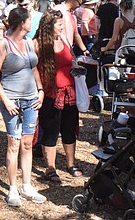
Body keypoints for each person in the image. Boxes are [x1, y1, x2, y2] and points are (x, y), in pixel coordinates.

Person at [0, 7, 46, 207]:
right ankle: (13, 188)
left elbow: (33, 68)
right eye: (30, 19)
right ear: (22, 22)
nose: (32, 22)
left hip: (32, 100)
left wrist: (40, 90)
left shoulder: (30, 43)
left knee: (27, 144)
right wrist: (5, 100)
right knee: (13, 144)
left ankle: (27, 185)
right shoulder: (3, 45)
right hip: (13, 101)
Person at [35, 10, 83, 181]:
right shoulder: (38, 44)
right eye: (59, 24)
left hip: (69, 93)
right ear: (49, 26)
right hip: (50, 95)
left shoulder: (63, 40)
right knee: (51, 131)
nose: (63, 28)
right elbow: (33, 69)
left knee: (69, 130)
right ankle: (50, 168)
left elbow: (70, 61)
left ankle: (71, 164)